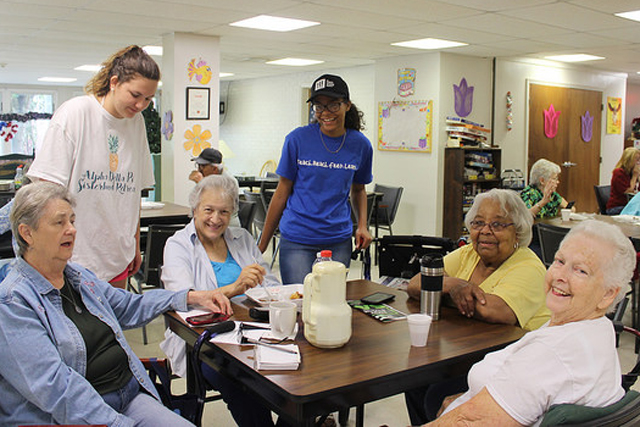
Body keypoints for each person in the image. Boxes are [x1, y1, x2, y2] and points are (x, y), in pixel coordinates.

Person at [0, 181, 232, 427]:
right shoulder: (12, 302)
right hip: (76, 416)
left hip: (128, 396)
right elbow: (57, 391)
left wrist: (190, 297)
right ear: (27, 233)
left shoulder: (76, 276)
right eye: (60, 222)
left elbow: (129, 306)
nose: (72, 230)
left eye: (72, 221)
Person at [426, 220, 632, 426]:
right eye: (559, 261)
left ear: (608, 294)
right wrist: (473, 396)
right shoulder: (598, 329)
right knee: (433, 394)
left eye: (581, 271)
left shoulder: (552, 352)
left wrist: (469, 407)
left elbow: (471, 421)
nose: (560, 276)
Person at [405, 189, 549, 425]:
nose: (485, 231)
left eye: (498, 224)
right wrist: (453, 285)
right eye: (478, 222)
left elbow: (497, 311)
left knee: (436, 394)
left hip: (514, 366)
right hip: (466, 352)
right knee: (414, 379)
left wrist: (441, 290)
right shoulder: (469, 254)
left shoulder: (528, 265)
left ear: (518, 231)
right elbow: (415, 284)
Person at [27, 45, 160, 289]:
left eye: (148, 99)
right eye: (135, 95)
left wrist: (133, 243)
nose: (141, 104)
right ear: (114, 82)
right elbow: (44, 194)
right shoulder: (75, 113)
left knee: (111, 327)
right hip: (72, 258)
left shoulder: (136, 123)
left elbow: (133, 193)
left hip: (117, 257)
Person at [161, 174, 281, 427]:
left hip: (253, 330)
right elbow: (183, 297)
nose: (216, 219)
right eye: (209, 210)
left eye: (224, 212)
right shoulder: (178, 246)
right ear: (194, 209)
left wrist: (261, 291)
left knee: (292, 379)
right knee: (241, 384)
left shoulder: (243, 239)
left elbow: (271, 285)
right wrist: (235, 287)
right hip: (205, 343)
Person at [258, 74, 374, 284]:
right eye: (318, 107)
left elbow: (358, 190)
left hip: (337, 240)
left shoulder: (360, 145)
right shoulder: (297, 139)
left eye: (333, 105)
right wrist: (262, 244)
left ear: (347, 105)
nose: (325, 113)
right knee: (299, 303)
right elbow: (282, 192)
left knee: (331, 301)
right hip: (297, 239)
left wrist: (362, 225)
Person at [607, 147, 640, 214]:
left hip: (628, 205)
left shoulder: (631, 172)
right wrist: (635, 176)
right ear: (629, 160)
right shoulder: (619, 172)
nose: (638, 162)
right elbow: (628, 191)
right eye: (636, 160)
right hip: (616, 207)